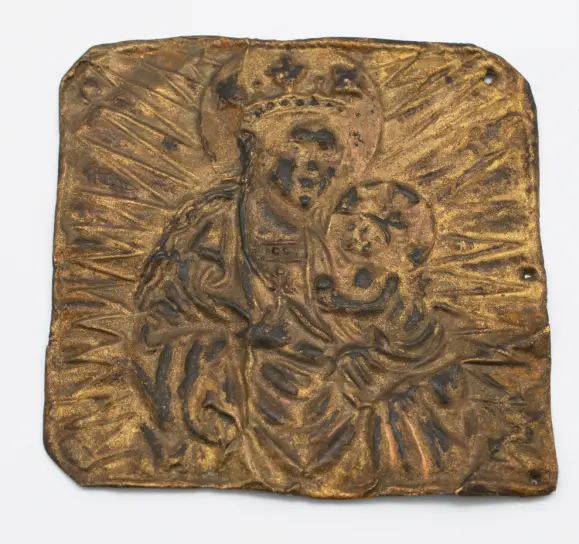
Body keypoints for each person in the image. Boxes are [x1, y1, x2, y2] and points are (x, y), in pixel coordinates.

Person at [131, 47, 472, 496]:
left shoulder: (349, 229)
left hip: (353, 415)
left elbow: (404, 331)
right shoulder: (214, 228)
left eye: (326, 147)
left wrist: (383, 367)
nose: (312, 163)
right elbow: (163, 330)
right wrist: (252, 346)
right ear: (252, 149)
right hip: (245, 406)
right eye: (297, 143)